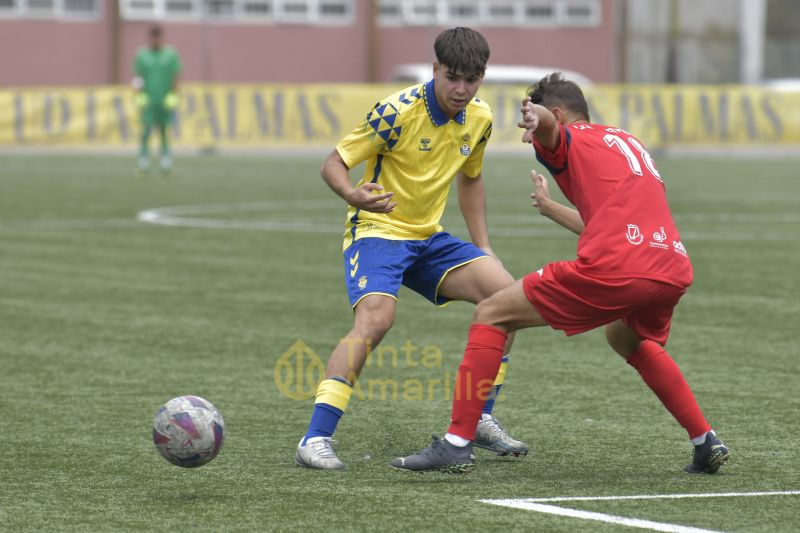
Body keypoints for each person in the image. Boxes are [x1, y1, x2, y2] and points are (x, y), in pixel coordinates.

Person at [391, 72, 731, 475]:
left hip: (617, 266)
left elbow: (554, 130)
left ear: (556, 112)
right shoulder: (625, 142)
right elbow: (607, 220)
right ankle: (704, 439)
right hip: (669, 266)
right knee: (625, 336)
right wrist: (552, 209)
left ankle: (457, 442)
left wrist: (537, 118)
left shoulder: (572, 135)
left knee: (491, 313)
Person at [295, 27, 529, 470]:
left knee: (506, 299)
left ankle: (478, 418)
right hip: (378, 229)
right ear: (435, 69)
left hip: (427, 237)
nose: (462, 89)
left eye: (472, 79)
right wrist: (352, 194)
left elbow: (472, 179)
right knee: (377, 319)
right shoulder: (396, 112)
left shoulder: (479, 118)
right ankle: (315, 438)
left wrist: (484, 247)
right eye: (453, 77)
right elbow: (333, 163)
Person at [132, 25, 182, 174]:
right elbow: (137, 77)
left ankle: (165, 158)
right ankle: (143, 158)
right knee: (146, 129)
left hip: (164, 99)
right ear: (150, 38)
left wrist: (173, 95)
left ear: (161, 38)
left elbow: (175, 76)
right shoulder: (142, 55)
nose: (155, 40)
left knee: (164, 129)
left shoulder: (170, 55)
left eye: (158, 37)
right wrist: (139, 95)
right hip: (148, 99)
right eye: (153, 37)